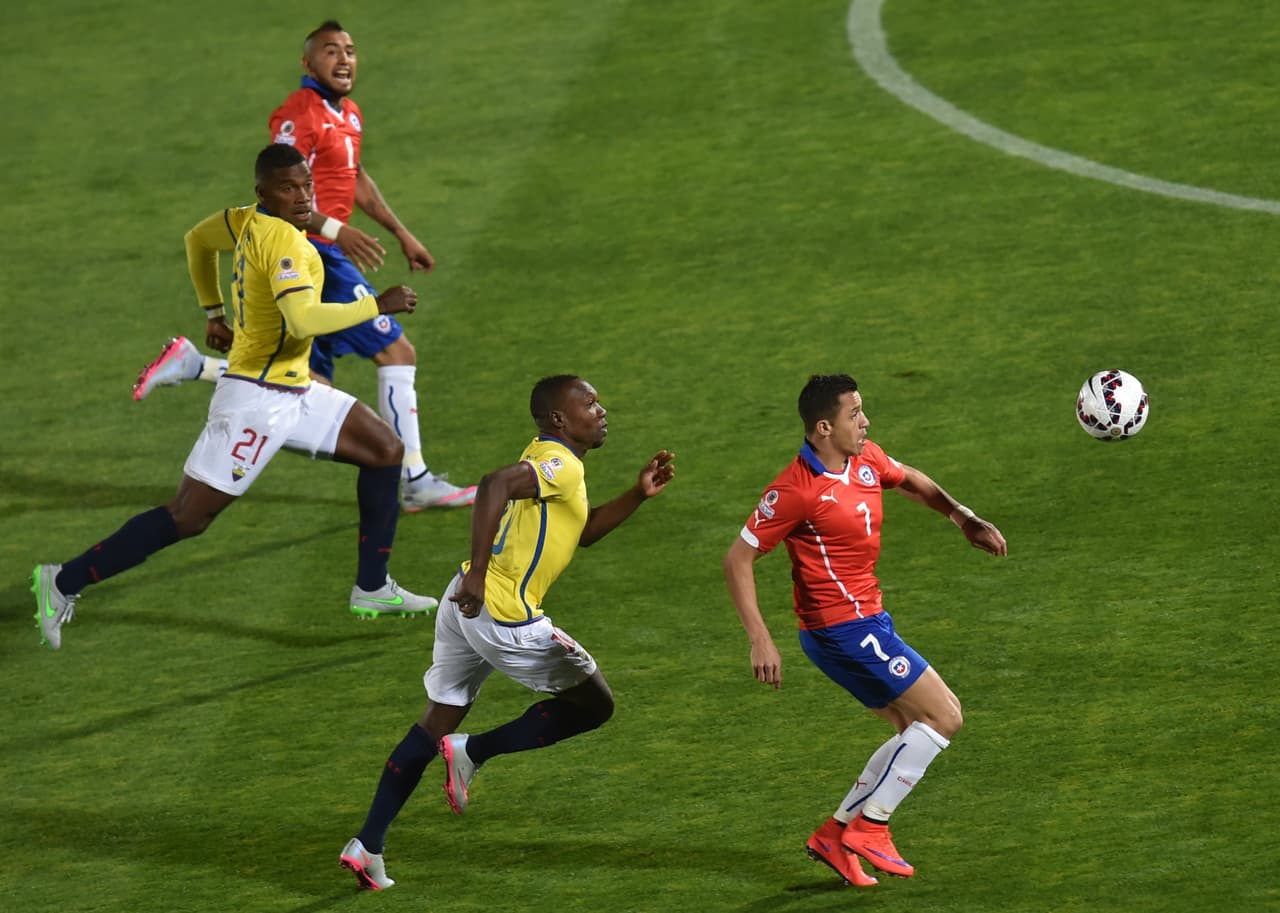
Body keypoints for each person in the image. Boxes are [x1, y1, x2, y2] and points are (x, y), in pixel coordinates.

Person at [31, 143, 439, 652]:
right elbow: (304, 320)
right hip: (256, 400)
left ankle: (373, 587)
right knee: (188, 517)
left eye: (307, 184)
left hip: (295, 386)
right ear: (263, 191)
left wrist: (213, 311)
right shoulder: (284, 244)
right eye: (288, 188)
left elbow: (197, 240)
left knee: (385, 451)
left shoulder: (244, 220)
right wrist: (378, 304)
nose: (302, 195)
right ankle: (62, 581)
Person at [338, 375, 676, 890]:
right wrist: (478, 569)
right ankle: (473, 751)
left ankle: (367, 846)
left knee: (433, 722)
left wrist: (637, 493)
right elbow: (494, 483)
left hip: (466, 605)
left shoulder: (554, 460)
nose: (601, 409)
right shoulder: (559, 464)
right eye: (589, 403)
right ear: (560, 419)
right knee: (595, 704)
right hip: (503, 613)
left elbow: (582, 534)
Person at [131, 19, 474, 513]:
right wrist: (336, 230)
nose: (344, 59)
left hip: (325, 253)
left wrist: (401, 232)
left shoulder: (348, 113)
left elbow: (353, 179)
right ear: (307, 63)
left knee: (303, 389)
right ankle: (415, 478)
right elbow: (282, 187)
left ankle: (195, 365)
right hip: (312, 255)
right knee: (397, 352)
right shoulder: (300, 115)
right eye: (330, 51)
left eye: (350, 50)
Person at [722, 373, 1007, 887]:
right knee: (945, 716)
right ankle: (872, 826)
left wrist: (961, 517)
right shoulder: (794, 491)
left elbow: (911, 479)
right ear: (823, 427)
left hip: (861, 621)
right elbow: (737, 559)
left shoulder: (866, 459)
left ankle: (835, 834)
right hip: (842, 629)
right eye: (855, 414)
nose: (865, 420)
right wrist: (760, 637)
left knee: (911, 731)